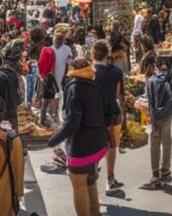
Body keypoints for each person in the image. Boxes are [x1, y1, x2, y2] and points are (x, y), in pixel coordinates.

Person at [48, 58, 113, 216]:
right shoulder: (95, 87)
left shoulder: (74, 88)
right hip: (98, 145)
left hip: (81, 149)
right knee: (90, 182)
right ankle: (95, 213)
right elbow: (107, 113)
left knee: (79, 186)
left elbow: (72, 125)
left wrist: (52, 140)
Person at [91, 40, 125, 196]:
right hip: (112, 115)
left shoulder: (89, 72)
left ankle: (93, 177)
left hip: (94, 115)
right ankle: (110, 179)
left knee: (94, 146)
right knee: (111, 146)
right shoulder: (116, 72)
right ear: (107, 54)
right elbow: (118, 95)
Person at [143, 61, 172, 189]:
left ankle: (155, 174)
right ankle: (166, 172)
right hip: (167, 114)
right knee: (167, 142)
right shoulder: (169, 79)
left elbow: (149, 100)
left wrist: (151, 113)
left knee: (155, 143)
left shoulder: (150, 81)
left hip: (155, 116)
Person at [38, 27, 76, 125]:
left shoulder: (67, 49)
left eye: (60, 39)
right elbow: (41, 64)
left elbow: (70, 61)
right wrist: (42, 76)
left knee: (57, 98)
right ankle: (51, 120)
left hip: (61, 77)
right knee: (50, 100)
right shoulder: (49, 50)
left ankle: (54, 118)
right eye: (57, 39)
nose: (58, 41)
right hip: (50, 78)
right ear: (53, 39)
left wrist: (70, 72)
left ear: (63, 40)